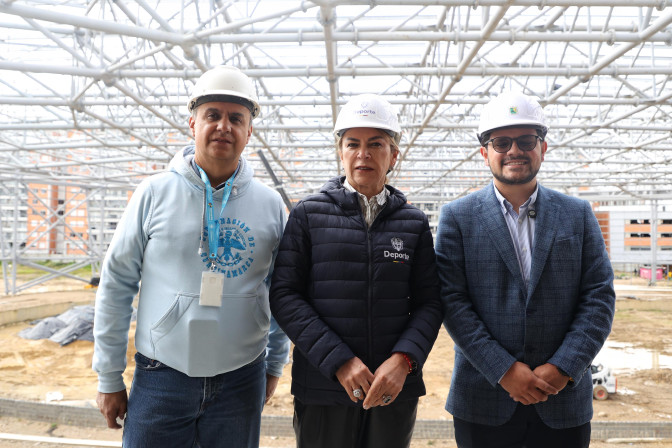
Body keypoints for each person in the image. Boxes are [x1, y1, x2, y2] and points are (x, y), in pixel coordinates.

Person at [92, 65, 289, 448]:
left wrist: (275, 362)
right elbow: (116, 283)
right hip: (162, 373)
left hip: (241, 375)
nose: (223, 126)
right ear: (192, 123)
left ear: (250, 130)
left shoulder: (270, 205)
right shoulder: (154, 193)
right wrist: (109, 376)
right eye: (212, 115)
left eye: (236, 118)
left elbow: (282, 292)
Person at [435, 91, 616, 448]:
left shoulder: (578, 214)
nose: (514, 151)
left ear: (543, 148)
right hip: (483, 400)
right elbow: (452, 302)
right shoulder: (457, 217)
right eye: (501, 143)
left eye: (526, 141)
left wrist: (564, 367)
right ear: (484, 153)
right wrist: (502, 369)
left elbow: (599, 298)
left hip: (561, 399)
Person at [270, 94, 443, 448]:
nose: (363, 153)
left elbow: (430, 302)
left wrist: (403, 361)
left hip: (392, 388)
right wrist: (340, 361)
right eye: (353, 144)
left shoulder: (413, 223)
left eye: (376, 144)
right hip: (324, 386)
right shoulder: (309, 215)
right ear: (341, 152)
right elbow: (285, 295)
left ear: (393, 155)